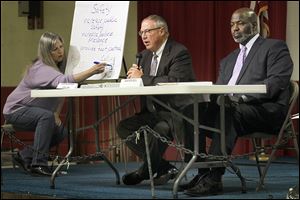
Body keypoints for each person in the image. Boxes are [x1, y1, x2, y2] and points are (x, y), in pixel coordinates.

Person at [181, 8, 293, 196]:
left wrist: (242, 97)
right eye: (232, 24)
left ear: (254, 25)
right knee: (191, 112)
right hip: (232, 109)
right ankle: (202, 173)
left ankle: (214, 178)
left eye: (240, 23)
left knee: (230, 112)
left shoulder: (274, 47)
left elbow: (277, 82)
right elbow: (219, 91)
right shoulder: (228, 60)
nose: (235, 28)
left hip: (265, 111)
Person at [3, 32, 106, 176]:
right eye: (55, 49)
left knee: (60, 132)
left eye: (61, 46)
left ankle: (24, 155)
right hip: (15, 110)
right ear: (46, 52)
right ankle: (38, 164)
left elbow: (61, 91)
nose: (60, 51)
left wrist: (56, 113)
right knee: (46, 117)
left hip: (31, 110)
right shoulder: (41, 68)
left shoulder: (56, 67)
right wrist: (92, 71)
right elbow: (65, 81)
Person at [117, 15, 198, 185]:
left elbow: (175, 82)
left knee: (160, 129)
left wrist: (143, 78)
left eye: (147, 31)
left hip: (174, 114)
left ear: (162, 31)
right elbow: (141, 81)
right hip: (152, 112)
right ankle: (161, 167)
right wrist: (131, 79)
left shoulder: (179, 52)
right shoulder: (144, 56)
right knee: (124, 127)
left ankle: (144, 171)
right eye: (141, 32)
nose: (143, 36)